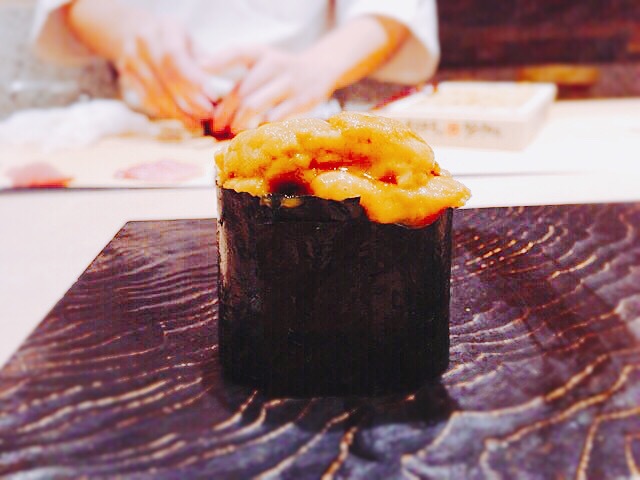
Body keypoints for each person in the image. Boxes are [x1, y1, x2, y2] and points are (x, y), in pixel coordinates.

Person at [32, 0, 440, 134]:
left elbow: (391, 9)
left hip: (299, 123)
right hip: (150, 127)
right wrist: (132, 34)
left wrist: (316, 68)